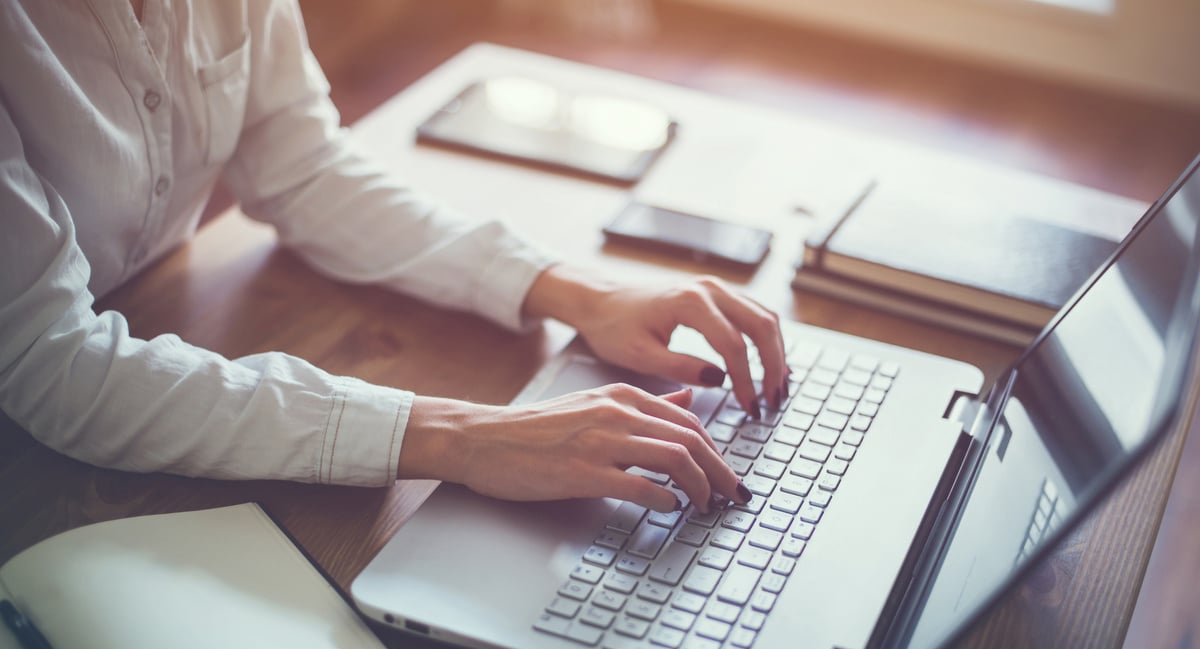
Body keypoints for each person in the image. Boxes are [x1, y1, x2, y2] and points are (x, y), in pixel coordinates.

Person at [0, 0, 788, 516]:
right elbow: (48, 358)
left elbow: (302, 166)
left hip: (150, 349)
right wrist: (462, 435)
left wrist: (575, 292)